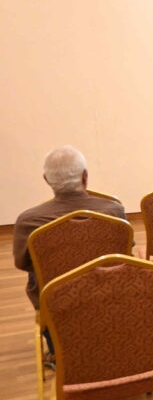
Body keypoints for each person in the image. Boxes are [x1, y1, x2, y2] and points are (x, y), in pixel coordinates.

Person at [13, 146, 127, 363]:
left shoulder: (29, 220)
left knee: (36, 271)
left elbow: (22, 263)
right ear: (85, 176)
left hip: (56, 300)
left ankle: (58, 352)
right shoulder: (114, 211)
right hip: (107, 293)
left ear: (46, 179)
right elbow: (123, 253)